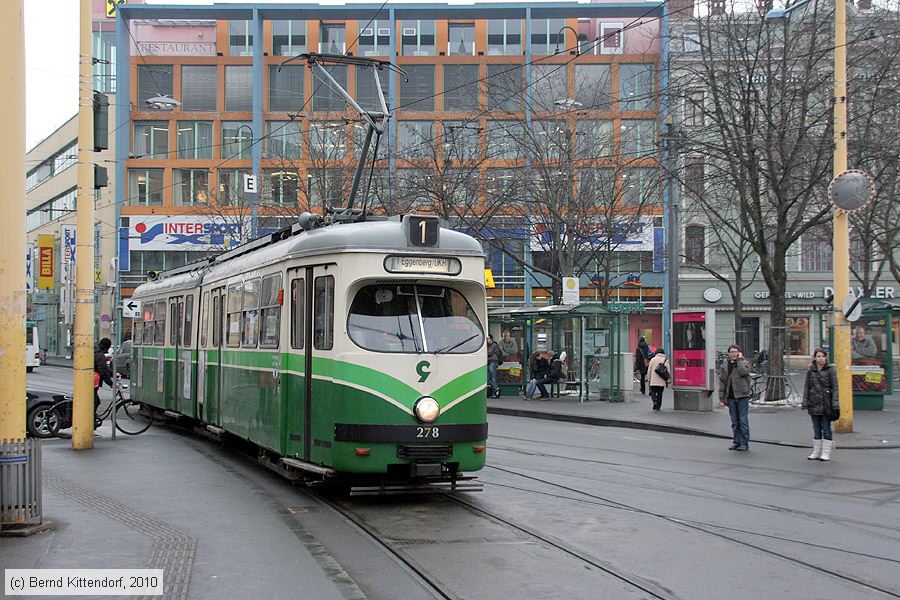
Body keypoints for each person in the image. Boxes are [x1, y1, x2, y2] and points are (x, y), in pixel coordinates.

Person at [802, 349, 839, 461]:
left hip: (826, 404)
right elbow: (806, 386)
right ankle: (816, 451)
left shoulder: (831, 369)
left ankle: (826, 452)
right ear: (814, 358)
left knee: (826, 428)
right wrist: (805, 401)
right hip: (814, 403)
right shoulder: (811, 370)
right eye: (818, 356)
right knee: (816, 428)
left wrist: (835, 404)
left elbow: (835, 388)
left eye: (823, 356)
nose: (821, 358)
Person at [718, 344, 752, 451]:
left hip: (742, 396)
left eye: (735, 352)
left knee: (743, 420)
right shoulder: (725, 366)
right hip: (731, 396)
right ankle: (736, 441)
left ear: (739, 353)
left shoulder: (744, 363)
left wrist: (740, 360)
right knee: (734, 421)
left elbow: (743, 372)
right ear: (728, 354)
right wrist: (721, 399)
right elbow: (722, 382)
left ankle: (744, 442)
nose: (733, 354)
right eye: (731, 352)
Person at [94, 337, 114, 411]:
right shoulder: (99, 355)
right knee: (94, 402)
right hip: (92, 382)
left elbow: (103, 367)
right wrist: (111, 383)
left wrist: (113, 374)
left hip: (89, 382)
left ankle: (92, 418)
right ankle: (91, 419)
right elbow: (103, 371)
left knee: (96, 401)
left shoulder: (97, 352)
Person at [486, 334, 503, 398]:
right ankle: (496, 389)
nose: (487, 340)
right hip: (489, 362)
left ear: (491, 339)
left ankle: (495, 392)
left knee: (493, 378)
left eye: (488, 339)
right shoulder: (488, 345)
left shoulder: (494, 345)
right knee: (487, 379)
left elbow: (489, 353)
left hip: (493, 362)